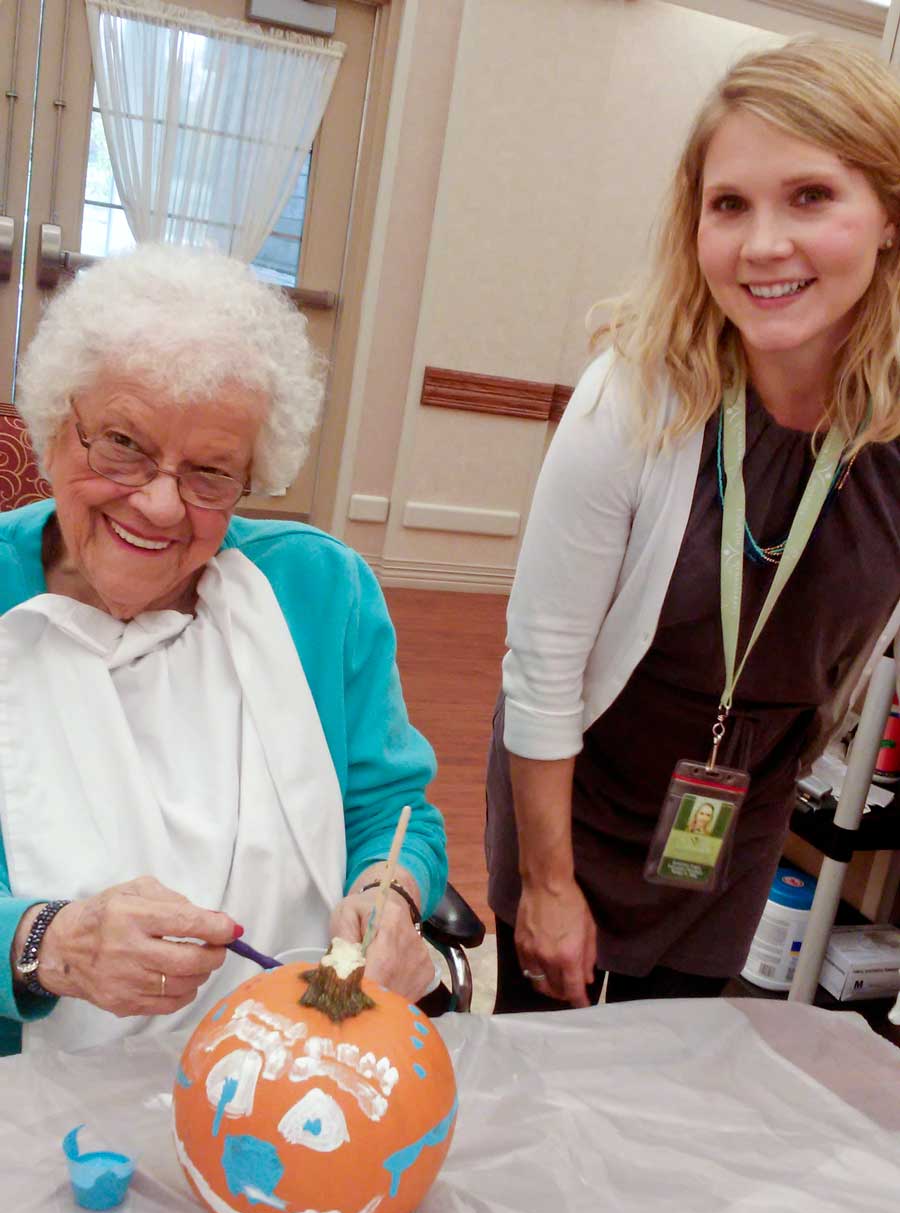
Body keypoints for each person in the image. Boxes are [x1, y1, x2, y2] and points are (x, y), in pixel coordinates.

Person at [486, 38, 900, 1014]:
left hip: (744, 798)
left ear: (888, 214)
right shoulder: (631, 398)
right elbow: (543, 667)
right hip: (583, 777)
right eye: (730, 205)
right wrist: (547, 884)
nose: (762, 244)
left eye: (810, 196)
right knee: (547, 1048)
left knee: (673, 1058)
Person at [0, 243, 447, 1055]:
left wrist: (390, 897)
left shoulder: (322, 592)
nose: (163, 505)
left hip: (299, 1072)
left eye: (210, 473)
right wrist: (49, 943)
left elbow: (391, 814)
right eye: (123, 445)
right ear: (54, 429)